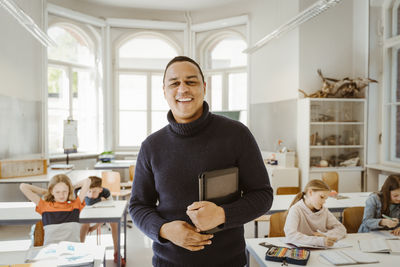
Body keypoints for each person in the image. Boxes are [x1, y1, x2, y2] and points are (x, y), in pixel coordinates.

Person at [129, 56, 273, 267]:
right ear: (164, 91)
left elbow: (263, 196)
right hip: (169, 263)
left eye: (191, 81)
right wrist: (164, 230)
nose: (183, 89)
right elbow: (139, 205)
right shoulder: (151, 146)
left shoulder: (236, 134)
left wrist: (223, 214)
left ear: (204, 87)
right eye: (174, 83)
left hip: (228, 262)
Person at [20, 174, 90, 245]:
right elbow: (23, 186)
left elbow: (87, 181)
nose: (61, 195)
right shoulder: (45, 206)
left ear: (69, 191)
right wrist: (45, 192)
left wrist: (72, 187)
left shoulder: (75, 205)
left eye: (64, 191)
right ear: (51, 191)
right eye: (57, 192)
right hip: (51, 251)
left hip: (72, 250)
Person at [77, 176, 125, 266]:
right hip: (85, 213)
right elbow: (89, 202)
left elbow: (109, 211)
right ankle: (80, 251)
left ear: (100, 190)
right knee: (84, 224)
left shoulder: (106, 192)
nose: (91, 194)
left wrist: (95, 226)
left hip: (101, 212)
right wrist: (100, 199)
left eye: (94, 191)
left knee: (114, 222)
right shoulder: (83, 191)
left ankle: (116, 252)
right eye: (89, 191)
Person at [284, 179, 346, 247]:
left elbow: (341, 229)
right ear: (310, 192)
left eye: (325, 199)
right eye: (322, 197)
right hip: (301, 251)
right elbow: (291, 235)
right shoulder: (296, 209)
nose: (324, 202)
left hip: (321, 250)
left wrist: (326, 235)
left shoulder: (324, 211)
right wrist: (319, 241)